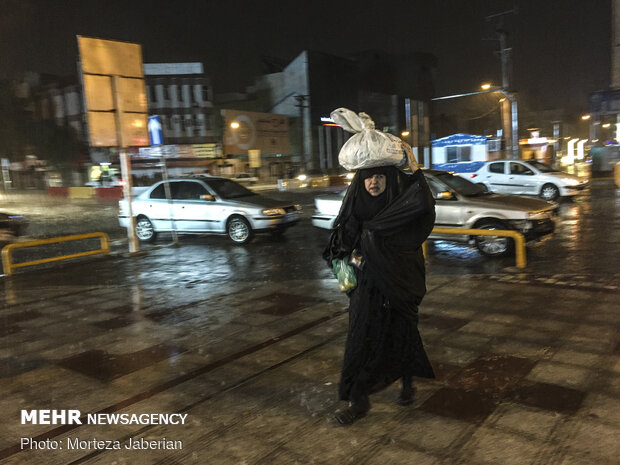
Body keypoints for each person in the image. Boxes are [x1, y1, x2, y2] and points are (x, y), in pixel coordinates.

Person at [323, 164, 436, 425]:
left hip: (398, 287)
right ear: (359, 182)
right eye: (368, 177)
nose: (374, 181)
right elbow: (337, 250)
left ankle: (407, 385)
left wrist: (416, 172)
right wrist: (350, 277)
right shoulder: (355, 212)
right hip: (366, 291)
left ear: (389, 180)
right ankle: (358, 401)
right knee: (360, 343)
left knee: (403, 337)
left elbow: (424, 211)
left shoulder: (399, 211)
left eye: (380, 176)